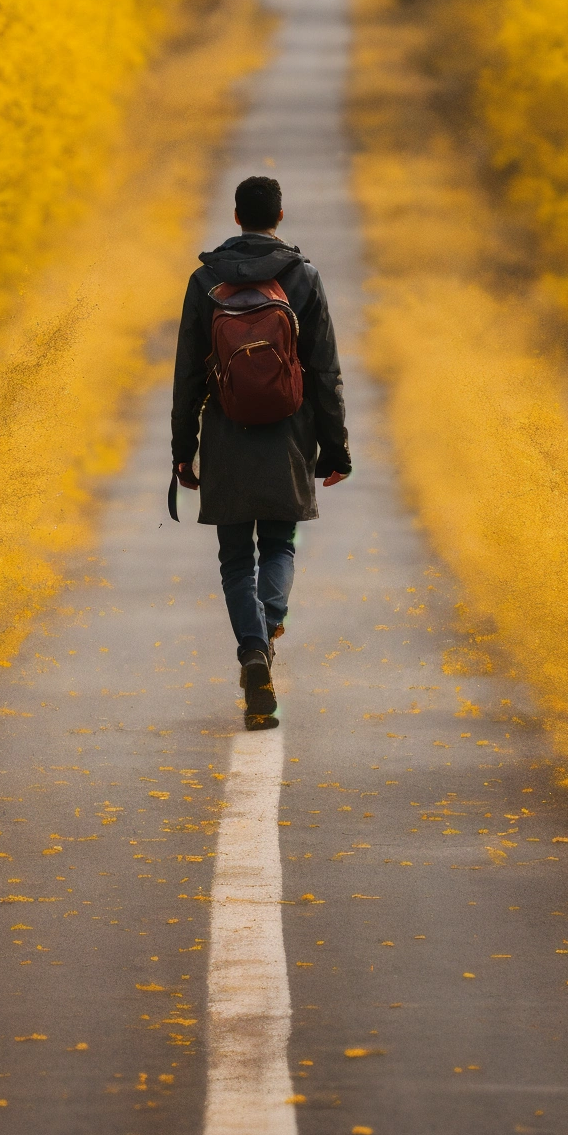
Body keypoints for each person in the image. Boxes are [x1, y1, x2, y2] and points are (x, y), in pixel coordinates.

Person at [171, 173, 351, 728]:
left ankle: (251, 649)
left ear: (235, 217)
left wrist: (184, 450)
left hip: (226, 436)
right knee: (279, 545)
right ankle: (269, 629)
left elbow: (186, 377)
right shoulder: (303, 278)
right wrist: (335, 448)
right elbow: (325, 371)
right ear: (278, 217)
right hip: (289, 434)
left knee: (234, 559)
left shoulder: (206, 282)